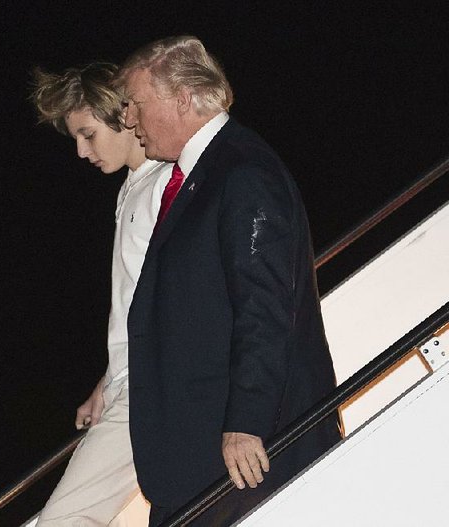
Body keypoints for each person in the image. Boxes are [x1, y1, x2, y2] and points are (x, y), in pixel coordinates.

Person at [117, 36, 342, 526]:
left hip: (241, 460)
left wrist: (246, 422)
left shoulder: (242, 173)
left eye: (134, 104)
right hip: (198, 462)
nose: (129, 120)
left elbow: (265, 308)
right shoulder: (204, 174)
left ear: (181, 97)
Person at [30, 63, 173, 525]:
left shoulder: (163, 184)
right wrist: (108, 380)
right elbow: (136, 298)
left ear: (121, 116)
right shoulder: (133, 187)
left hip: (154, 387)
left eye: (88, 134)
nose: (79, 150)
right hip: (133, 384)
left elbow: (176, 295)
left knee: (62, 521)